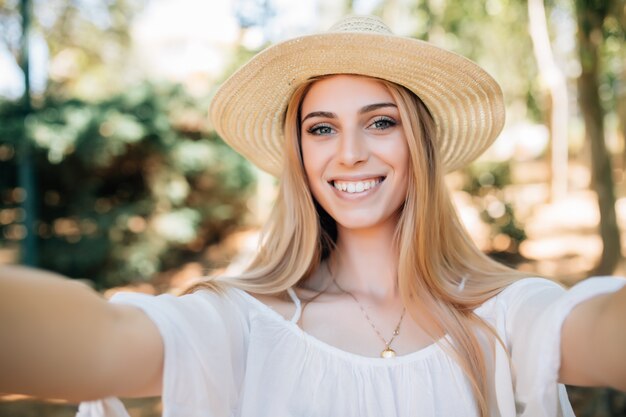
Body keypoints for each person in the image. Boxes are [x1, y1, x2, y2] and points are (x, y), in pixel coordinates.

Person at [0, 14, 625, 417]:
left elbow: (602, 328)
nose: (350, 153)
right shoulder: (241, 322)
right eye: (321, 128)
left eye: (381, 122)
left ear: (420, 146)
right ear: (299, 153)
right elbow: (98, 341)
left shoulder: (504, 317)